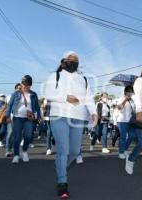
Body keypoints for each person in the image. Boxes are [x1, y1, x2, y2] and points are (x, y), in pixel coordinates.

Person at [42, 51, 96, 198]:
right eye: (70, 59)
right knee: (63, 149)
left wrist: (93, 112)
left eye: (76, 60)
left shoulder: (83, 79)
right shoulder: (55, 76)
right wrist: (66, 97)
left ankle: (61, 168)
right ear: (63, 61)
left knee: (73, 151)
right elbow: (48, 93)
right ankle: (62, 182)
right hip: (59, 115)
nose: (73, 61)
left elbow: (89, 98)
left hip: (78, 118)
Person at [6, 75, 41, 164]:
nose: (26, 87)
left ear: (30, 85)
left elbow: (37, 106)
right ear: (21, 84)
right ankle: (16, 155)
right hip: (17, 117)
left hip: (29, 118)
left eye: (28, 85)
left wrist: (39, 116)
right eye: (24, 85)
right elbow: (10, 105)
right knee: (17, 137)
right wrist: (7, 116)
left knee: (28, 136)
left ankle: (24, 151)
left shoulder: (33, 94)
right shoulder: (16, 93)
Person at [117, 85, 136, 159]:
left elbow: (133, 110)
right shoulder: (121, 98)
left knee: (132, 135)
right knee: (123, 137)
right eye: (129, 91)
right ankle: (121, 152)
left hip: (130, 121)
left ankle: (125, 149)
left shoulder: (132, 101)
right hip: (122, 121)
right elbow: (119, 108)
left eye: (132, 92)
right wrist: (125, 100)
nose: (131, 93)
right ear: (125, 92)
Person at [5, 83, 22, 157]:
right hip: (12, 117)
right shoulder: (11, 95)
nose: (20, 89)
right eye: (18, 88)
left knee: (17, 135)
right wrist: (8, 116)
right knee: (10, 134)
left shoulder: (24, 96)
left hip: (20, 118)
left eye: (21, 88)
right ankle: (8, 150)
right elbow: (9, 106)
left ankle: (14, 149)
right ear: (15, 89)